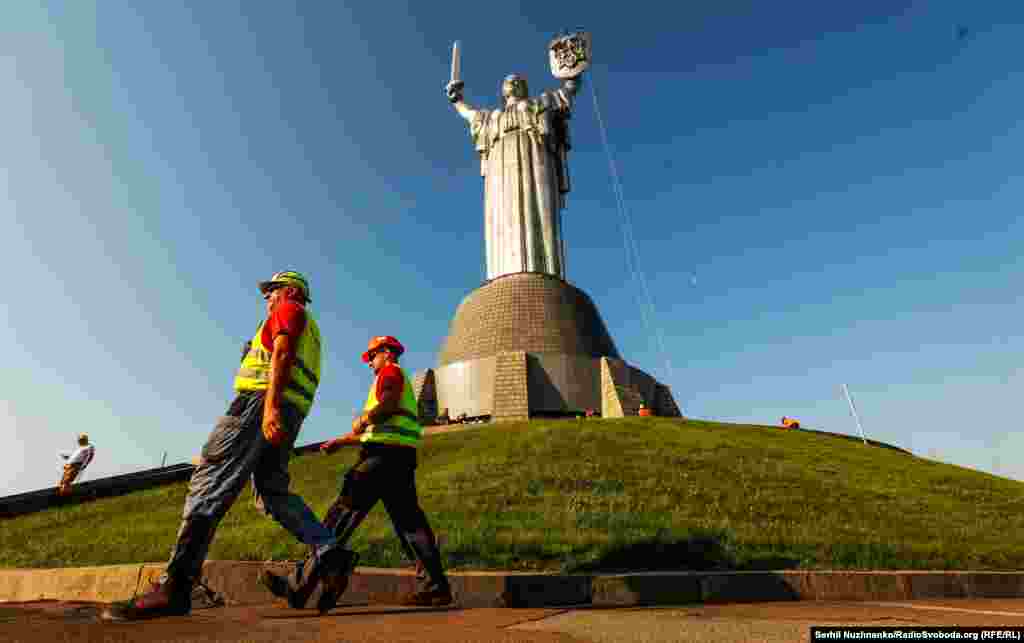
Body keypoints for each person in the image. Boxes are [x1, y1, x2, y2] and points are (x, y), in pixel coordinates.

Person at [102, 271, 355, 621]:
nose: (267, 298)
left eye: (272, 290)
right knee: (271, 493)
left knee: (209, 483)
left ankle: (175, 586)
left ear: (291, 291)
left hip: (258, 406)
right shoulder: (313, 331)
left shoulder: (288, 309)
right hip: (289, 411)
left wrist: (269, 408)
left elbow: (281, 354)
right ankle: (330, 553)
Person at [263, 335, 453, 609]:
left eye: (372, 355)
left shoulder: (390, 373)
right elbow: (382, 430)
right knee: (410, 525)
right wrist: (342, 441)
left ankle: (300, 586)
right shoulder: (398, 380)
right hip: (400, 459)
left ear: (387, 352)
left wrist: (363, 418)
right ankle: (436, 588)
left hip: (378, 461)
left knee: (338, 518)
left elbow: (385, 408)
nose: (370, 363)